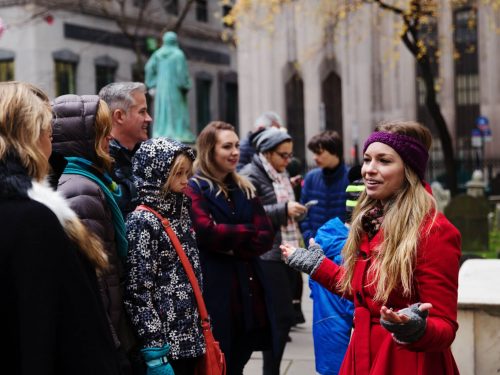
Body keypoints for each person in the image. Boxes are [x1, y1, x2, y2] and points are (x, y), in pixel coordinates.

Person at [281, 121, 462, 374]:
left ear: (409, 170)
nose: (369, 170)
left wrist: (415, 328)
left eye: (384, 161)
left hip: (405, 361)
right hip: (362, 353)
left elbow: (444, 326)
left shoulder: (434, 232)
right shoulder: (369, 220)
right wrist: (317, 266)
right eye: (367, 160)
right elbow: (364, 293)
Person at [0, 81, 121, 374]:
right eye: (47, 133)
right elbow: (65, 331)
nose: (51, 143)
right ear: (29, 136)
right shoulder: (32, 219)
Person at [51, 94, 133, 373]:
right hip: (105, 339)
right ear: (84, 137)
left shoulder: (90, 182)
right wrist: (113, 345)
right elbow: (94, 280)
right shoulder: (81, 189)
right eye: (101, 129)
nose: (110, 136)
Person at [187, 121, 276, 375]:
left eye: (236, 145)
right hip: (217, 289)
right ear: (209, 150)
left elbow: (266, 235)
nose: (235, 152)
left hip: (248, 289)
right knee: (219, 359)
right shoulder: (195, 188)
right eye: (227, 146)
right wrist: (248, 231)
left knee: (240, 357)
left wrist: (231, 243)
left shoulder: (245, 188)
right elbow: (206, 232)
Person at [124, 138, 203, 375]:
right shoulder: (143, 221)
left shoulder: (180, 212)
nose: (185, 180)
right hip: (167, 344)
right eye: (178, 173)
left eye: (187, 173)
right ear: (156, 173)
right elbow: (138, 291)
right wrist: (154, 348)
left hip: (190, 336)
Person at [240, 127, 306, 375]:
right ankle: (271, 371)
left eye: (290, 155)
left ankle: (272, 370)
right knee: (282, 317)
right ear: (267, 153)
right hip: (267, 254)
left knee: (282, 318)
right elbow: (250, 214)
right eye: (283, 155)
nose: (288, 160)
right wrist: (284, 209)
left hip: (285, 250)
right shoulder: (251, 175)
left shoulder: (280, 173)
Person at [310, 168, 364, 375]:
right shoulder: (361, 249)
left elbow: (314, 287)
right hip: (350, 331)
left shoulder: (325, 235)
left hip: (326, 329)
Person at [99, 81, 152, 219]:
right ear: (119, 116)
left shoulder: (147, 155)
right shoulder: (101, 160)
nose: (149, 118)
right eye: (142, 111)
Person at [300, 130, 350, 244]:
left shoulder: (351, 179)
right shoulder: (311, 178)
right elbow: (303, 213)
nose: (314, 157)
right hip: (314, 244)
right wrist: (309, 238)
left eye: (319, 153)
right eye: (314, 153)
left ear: (334, 152)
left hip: (343, 246)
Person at [144, 31, 194, 142]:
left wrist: (152, 84)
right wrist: (186, 85)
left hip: (161, 89)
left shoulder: (158, 54)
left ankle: (162, 134)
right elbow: (182, 74)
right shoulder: (178, 54)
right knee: (177, 111)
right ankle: (178, 134)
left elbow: (148, 68)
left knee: (162, 111)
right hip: (175, 89)